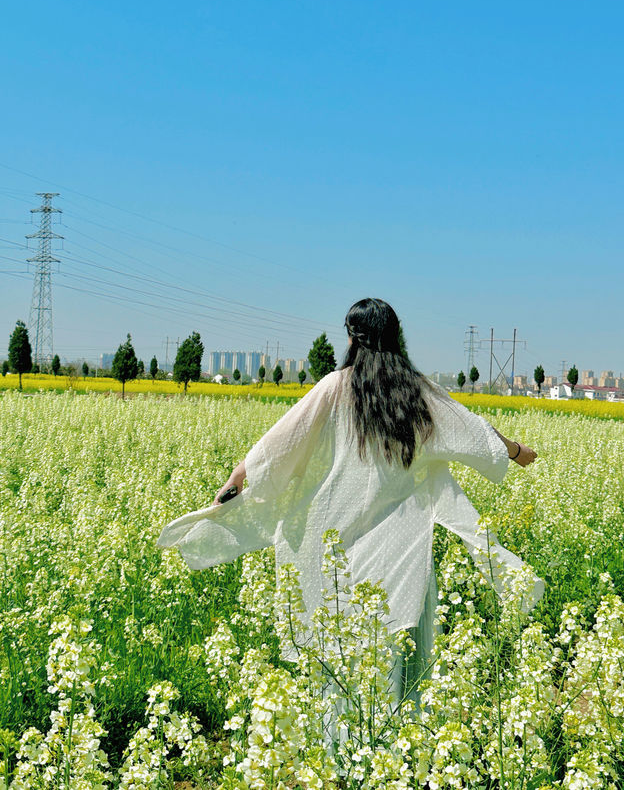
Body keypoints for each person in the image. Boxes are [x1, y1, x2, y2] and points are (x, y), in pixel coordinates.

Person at [157, 298, 544, 708]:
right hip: (402, 545)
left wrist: (236, 480)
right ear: (396, 336)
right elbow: (473, 430)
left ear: (351, 337)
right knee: (394, 643)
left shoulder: (336, 385)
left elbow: (280, 442)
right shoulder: (419, 391)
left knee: (342, 643)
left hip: (338, 542)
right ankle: (392, 740)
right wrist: (516, 451)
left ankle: (343, 746)